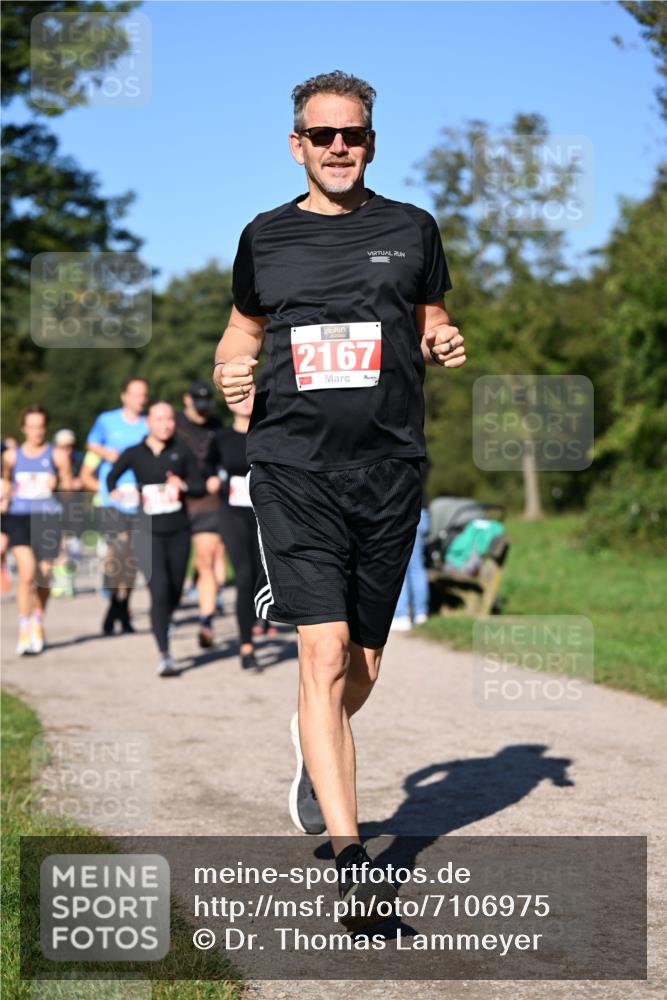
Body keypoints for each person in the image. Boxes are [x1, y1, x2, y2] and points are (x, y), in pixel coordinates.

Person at [212, 70, 467, 929]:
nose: (337, 147)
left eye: (351, 134)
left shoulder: (410, 229)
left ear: (369, 141)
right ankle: (353, 863)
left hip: (388, 468)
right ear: (297, 144)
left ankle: (312, 747)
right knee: (320, 656)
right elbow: (241, 332)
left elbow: (429, 316)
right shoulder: (265, 236)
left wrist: (439, 336)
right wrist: (226, 372)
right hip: (289, 467)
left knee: (362, 665)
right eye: (321, 135)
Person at [107, 401, 205, 677]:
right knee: (158, 590)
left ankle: (167, 617)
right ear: (148, 422)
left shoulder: (181, 451)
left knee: (174, 589)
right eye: (159, 419)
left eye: (169, 419)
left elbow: (198, 485)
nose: (165, 424)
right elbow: (111, 479)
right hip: (146, 530)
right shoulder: (134, 453)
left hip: (178, 530)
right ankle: (165, 655)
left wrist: (182, 485)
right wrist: (121, 493)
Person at [1, 406, 72, 653]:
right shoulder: (11, 456)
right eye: (31, 427)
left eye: (40, 426)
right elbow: (6, 482)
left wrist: (58, 485)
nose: (36, 432)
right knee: (27, 573)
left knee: (44, 576)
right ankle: (23, 627)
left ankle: (37, 618)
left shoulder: (57, 456)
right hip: (19, 518)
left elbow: (70, 488)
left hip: (48, 517)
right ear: (23, 428)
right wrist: (5, 495)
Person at [208, 386, 265, 670]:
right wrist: (209, 481)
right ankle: (246, 645)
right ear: (230, 402)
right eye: (240, 396)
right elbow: (204, 469)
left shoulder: (267, 433)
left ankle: (261, 619)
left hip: (264, 514)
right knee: (244, 577)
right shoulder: (220, 438)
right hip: (232, 514)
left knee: (262, 577)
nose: (246, 402)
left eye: (251, 395)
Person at [86, 377, 148, 635]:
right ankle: (115, 603)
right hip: (112, 498)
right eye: (134, 394)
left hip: (138, 499)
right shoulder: (107, 420)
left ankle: (122, 607)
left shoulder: (147, 424)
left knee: (132, 559)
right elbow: (91, 443)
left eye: (143, 395)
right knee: (116, 551)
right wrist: (105, 453)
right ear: (124, 396)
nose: (139, 399)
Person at [174, 381, 225, 648]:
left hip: (206, 501)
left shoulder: (216, 426)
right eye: (198, 404)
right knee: (173, 568)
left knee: (206, 559)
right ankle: (170, 608)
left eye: (207, 404)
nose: (203, 411)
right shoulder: (174, 424)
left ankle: (206, 621)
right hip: (174, 503)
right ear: (187, 400)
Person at [390, 456, 431, 631]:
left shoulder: (399, 460)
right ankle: (421, 612)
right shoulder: (423, 458)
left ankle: (401, 615)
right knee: (417, 567)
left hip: (404, 512)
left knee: (401, 566)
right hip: (422, 512)